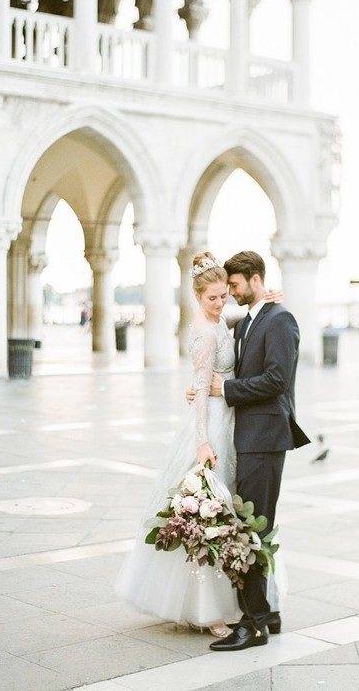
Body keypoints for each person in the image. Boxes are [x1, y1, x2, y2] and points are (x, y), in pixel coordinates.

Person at [115, 251, 241, 637]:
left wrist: (268, 296)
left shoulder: (219, 321)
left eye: (224, 296)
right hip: (212, 426)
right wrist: (203, 442)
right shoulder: (203, 331)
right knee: (208, 515)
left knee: (225, 512)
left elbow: (240, 318)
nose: (221, 303)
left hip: (229, 418)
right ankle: (207, 609)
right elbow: (201, 388)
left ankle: (223, 600)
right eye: (213, 298)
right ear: (197, 295)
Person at [207, 250, 310, 652]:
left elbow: (277, 379)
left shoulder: (280, 319)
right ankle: (268, 613)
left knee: (252, 529)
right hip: (250, 437)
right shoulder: (253, 318)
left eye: (234, 285)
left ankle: (253, 626)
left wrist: (226, 390)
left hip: (265, 438)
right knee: (256, 526)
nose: (230, 293)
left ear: (254, 278)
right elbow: (220, 326)